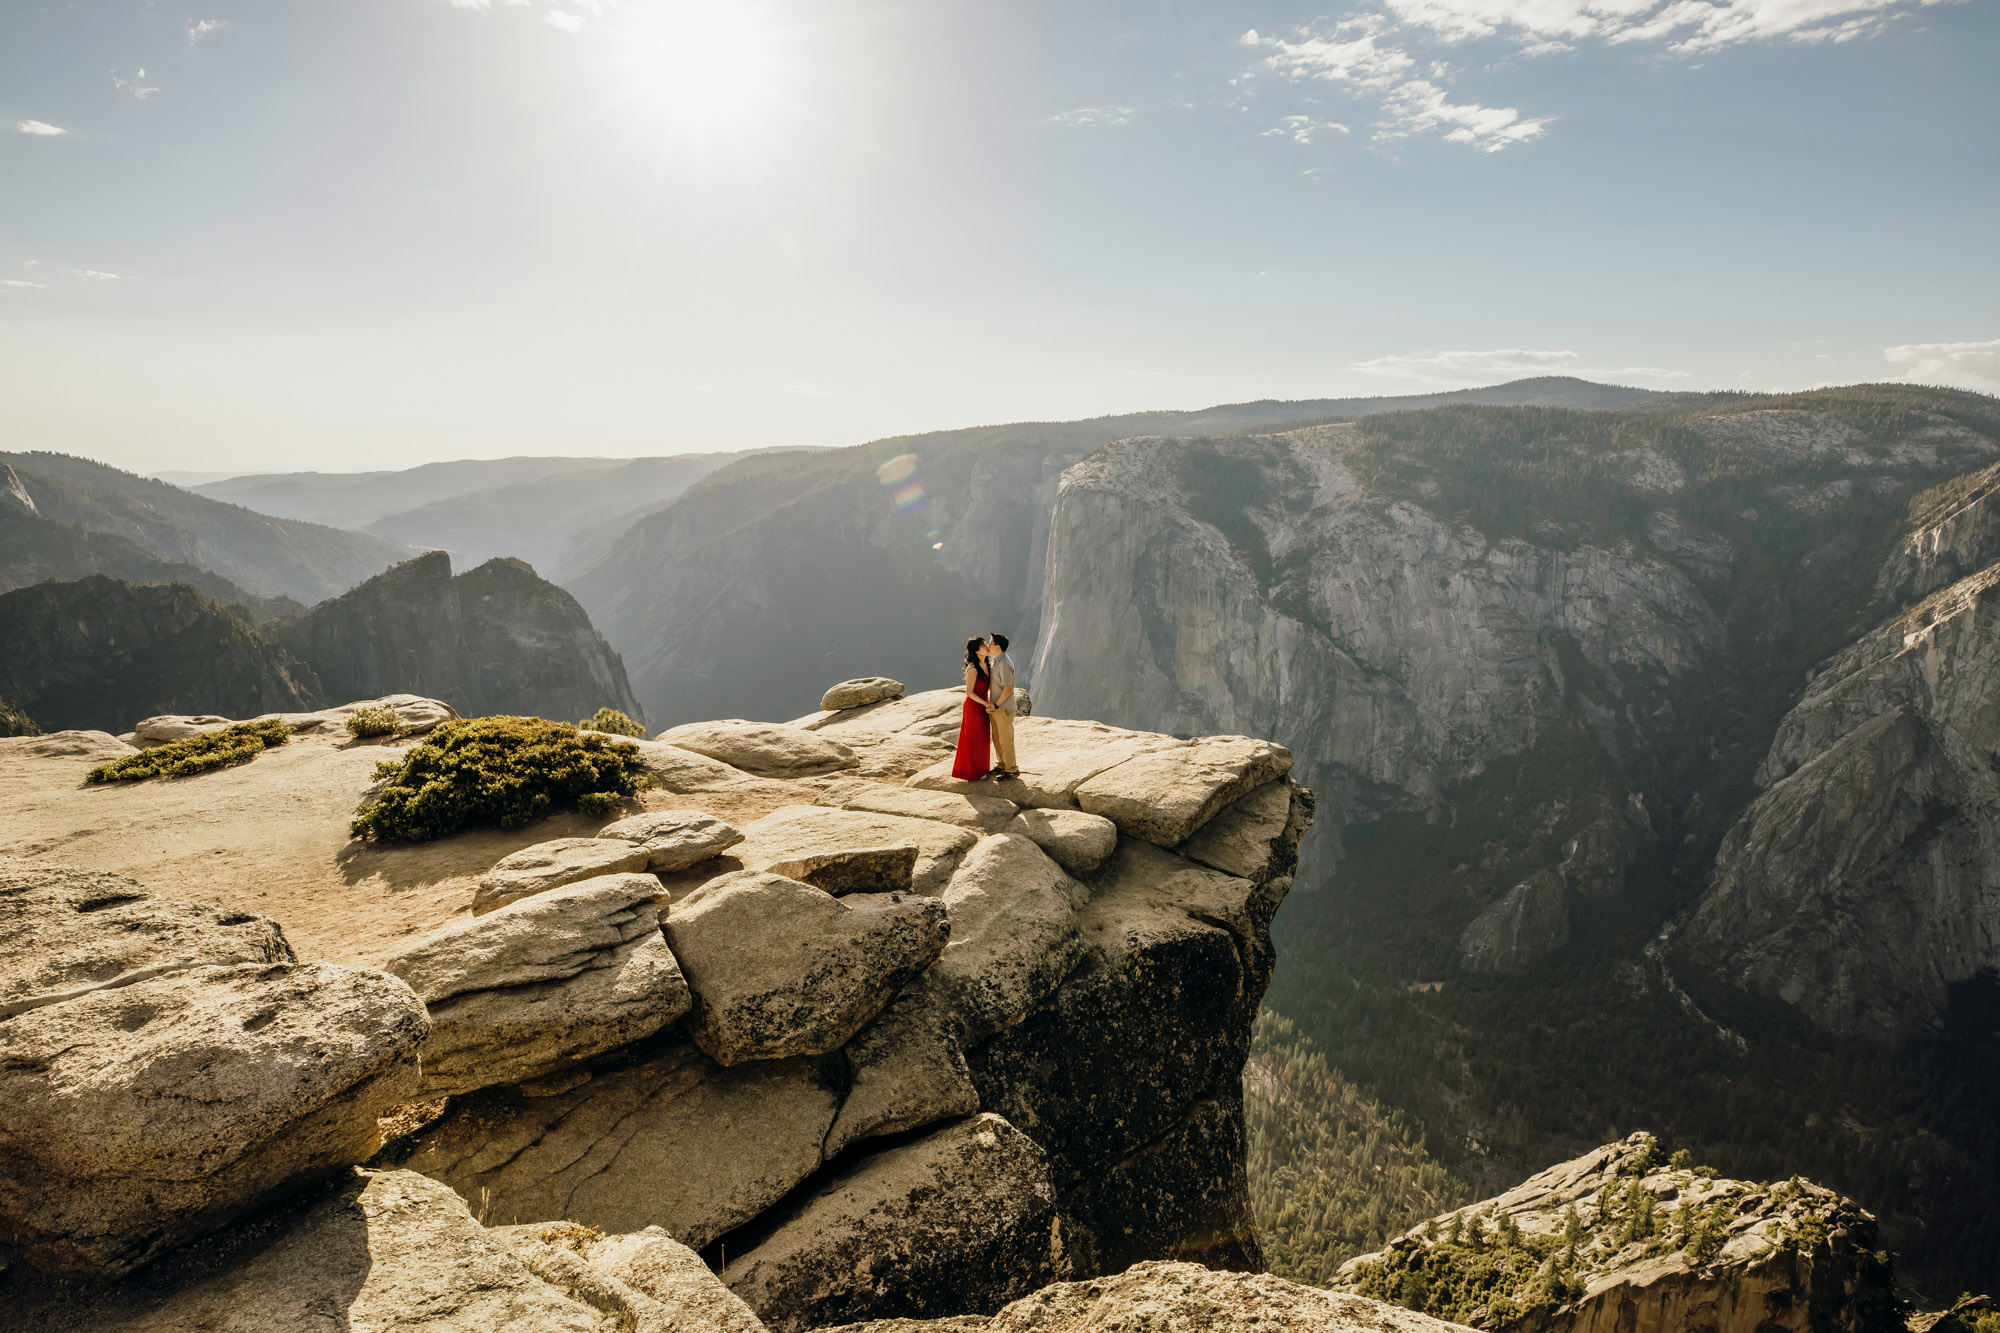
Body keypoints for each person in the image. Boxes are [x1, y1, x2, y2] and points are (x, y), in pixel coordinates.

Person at [949, 636, 993, 781]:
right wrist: (985, 703)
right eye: (983, 645)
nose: (987, 646)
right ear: (976, 650)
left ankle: (982, 768)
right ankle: (973, 772)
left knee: (983, 737)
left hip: (983, 705)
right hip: (974, 706)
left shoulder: (988, 665)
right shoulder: (973, 668)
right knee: (974, 738)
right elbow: (970, 692)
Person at [985, 631, 1019, 779]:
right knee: (997, 738)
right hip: (996, 707)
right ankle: (1002, 765)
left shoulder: (1005, 664)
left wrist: (996, 705)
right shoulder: (997, 661)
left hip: (1003, 708)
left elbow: (1008, 688)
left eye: (991, 643)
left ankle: (1012, 770)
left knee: (1006, 740)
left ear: (997, 647)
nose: (988, 645)